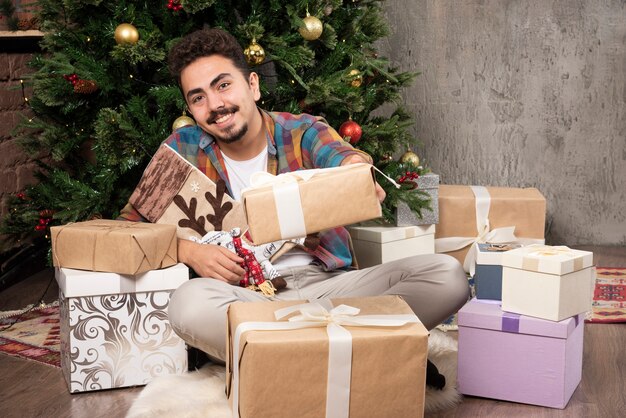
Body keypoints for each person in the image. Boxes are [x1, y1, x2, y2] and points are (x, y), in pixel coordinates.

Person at [119, 28, 469, 387]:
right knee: (187, 304)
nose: (215, 105)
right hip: (246, 300)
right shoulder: (182, 150)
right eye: (198, 98)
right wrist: (188, 251)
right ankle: (362, 353)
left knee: (448, 276)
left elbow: (345, 159)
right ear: (191, 109)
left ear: (252, 85)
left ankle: (288, 360)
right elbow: (130, 230)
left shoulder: (300, 133)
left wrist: (354, 176)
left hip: (331, 294)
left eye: (223, 85)